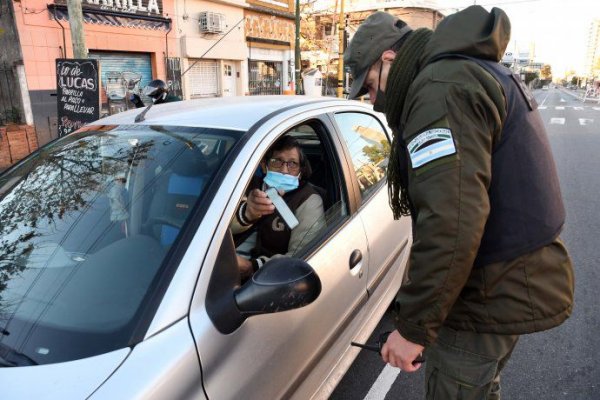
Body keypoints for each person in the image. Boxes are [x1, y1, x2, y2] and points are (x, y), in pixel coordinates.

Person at [344, 6, 574, 399]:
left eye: (367, 85)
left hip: (487, 294)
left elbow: (451, 223)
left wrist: (413, 329)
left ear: (388, 58)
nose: (371, 99)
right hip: (503, 283)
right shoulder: (460, 71)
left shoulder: (440, 90)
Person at [231, 135, 325, 278]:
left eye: (292, 164)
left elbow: (300, 256)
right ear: (264, 165)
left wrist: (253, 266)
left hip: (265, 279)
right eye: (277, 161)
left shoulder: (308, 200)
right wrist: (247, 214)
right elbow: (217, 226)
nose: (285, 170)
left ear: (300, 172)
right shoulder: (245, 184)